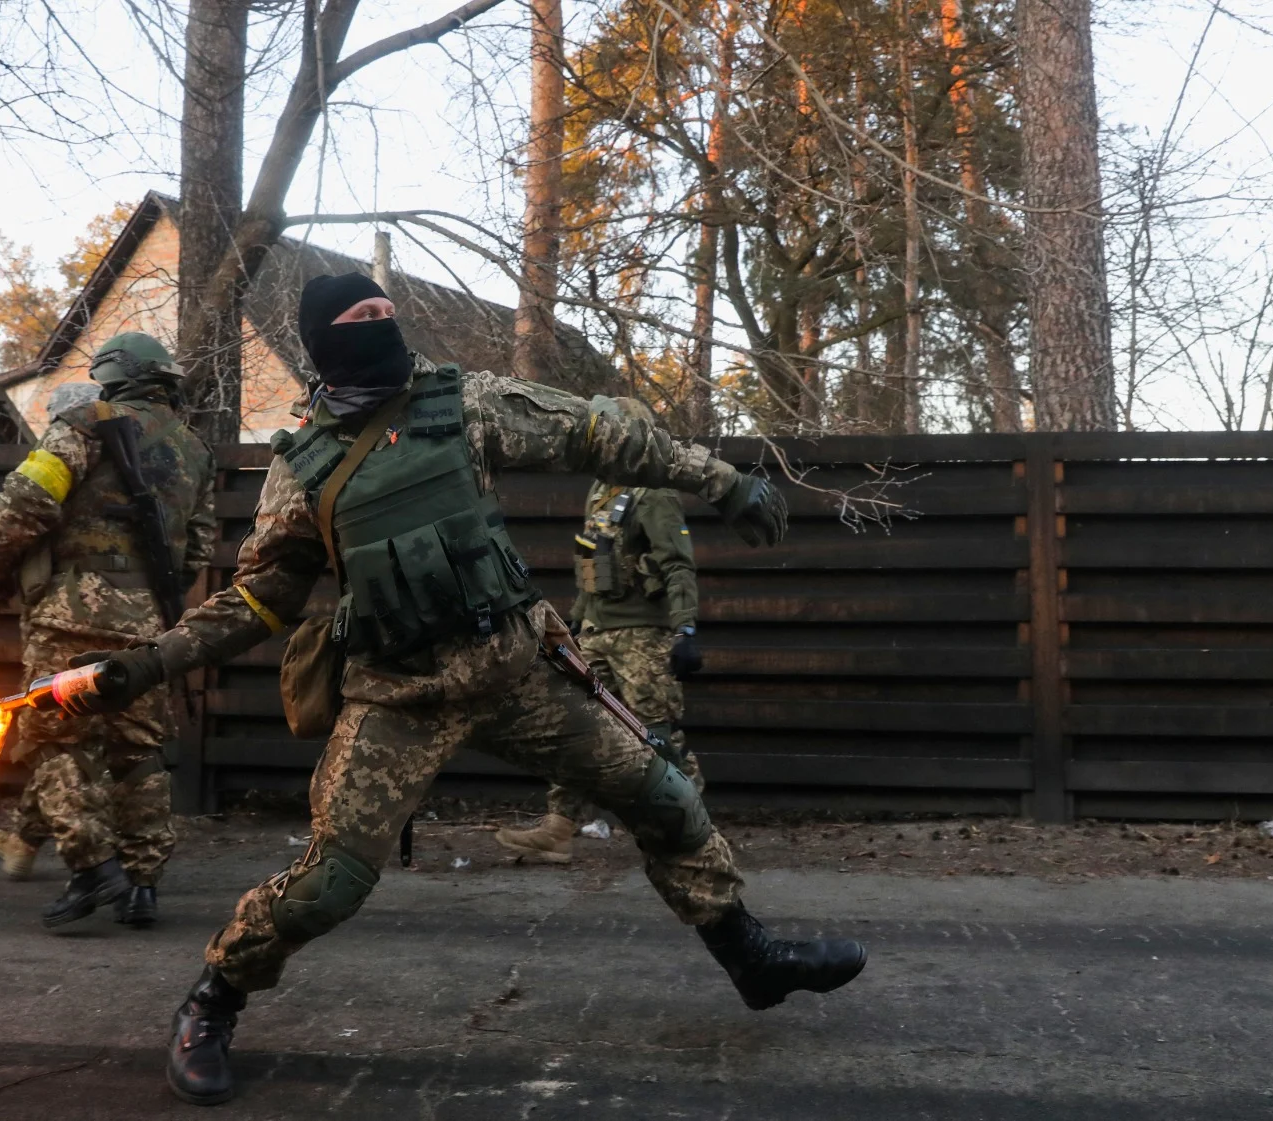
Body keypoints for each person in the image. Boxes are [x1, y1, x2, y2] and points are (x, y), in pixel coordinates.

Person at [56, 274, 866, 1106]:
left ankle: (753, 959)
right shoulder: (301, 467)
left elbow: (595, 431)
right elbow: (259, 599)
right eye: (359, 317)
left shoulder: (462, 403)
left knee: (663, 796)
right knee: (330, 882)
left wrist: (720, 480)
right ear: (323, 342)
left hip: (516, 671)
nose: (381, 323)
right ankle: (212, 1000)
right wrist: (138, 665)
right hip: (398, 697)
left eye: (385, 311)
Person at [0, 332, 216, 930]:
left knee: (55, 742)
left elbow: (20, 512)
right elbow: (199, 549)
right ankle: (143, 885)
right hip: (149, 625)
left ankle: (93, 867)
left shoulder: (85, 424)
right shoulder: (195, 450)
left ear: (112, 375)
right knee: (138, 751)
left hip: (68, 615)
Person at [496, 405, 705, 862]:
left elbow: (677, 564)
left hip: (643, 637)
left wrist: (685, 627)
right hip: (596, 632)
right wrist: (575, 622)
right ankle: (559, 828)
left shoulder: (654, 494)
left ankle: (692, 827)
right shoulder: (601, 492)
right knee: (576, 729)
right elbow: (593, 565)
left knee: (657, 732)